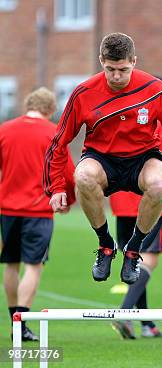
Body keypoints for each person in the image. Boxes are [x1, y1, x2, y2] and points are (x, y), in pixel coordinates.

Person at [43, 33, 162, 285]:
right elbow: (58, 142)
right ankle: (106, 245)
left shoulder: (156, 90)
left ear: (134, 62)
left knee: (160, 183)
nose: (116, 76)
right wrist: (57, 188)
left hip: (142, 158)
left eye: (123, 70)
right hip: (102, 158)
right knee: (82, 176)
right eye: (110, 69)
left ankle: (133, 250)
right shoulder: (83, 92)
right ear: (101, 61)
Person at [109, 76, 162, 339]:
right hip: (153, 206)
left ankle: (144, 323)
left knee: (131, 260)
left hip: (122, 203)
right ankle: (124, 311)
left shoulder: (124, 123)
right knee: (148, 259)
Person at [1, 88, 76, 341]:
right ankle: (21, 324)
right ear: (51, 110)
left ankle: (14, 320)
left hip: (7, 210)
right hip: (39, 211)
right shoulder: (53, 133)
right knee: (33, 267)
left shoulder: (5, 130)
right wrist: (69, 200)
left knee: (11, 264)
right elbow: (68, 173)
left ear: (27, 105)